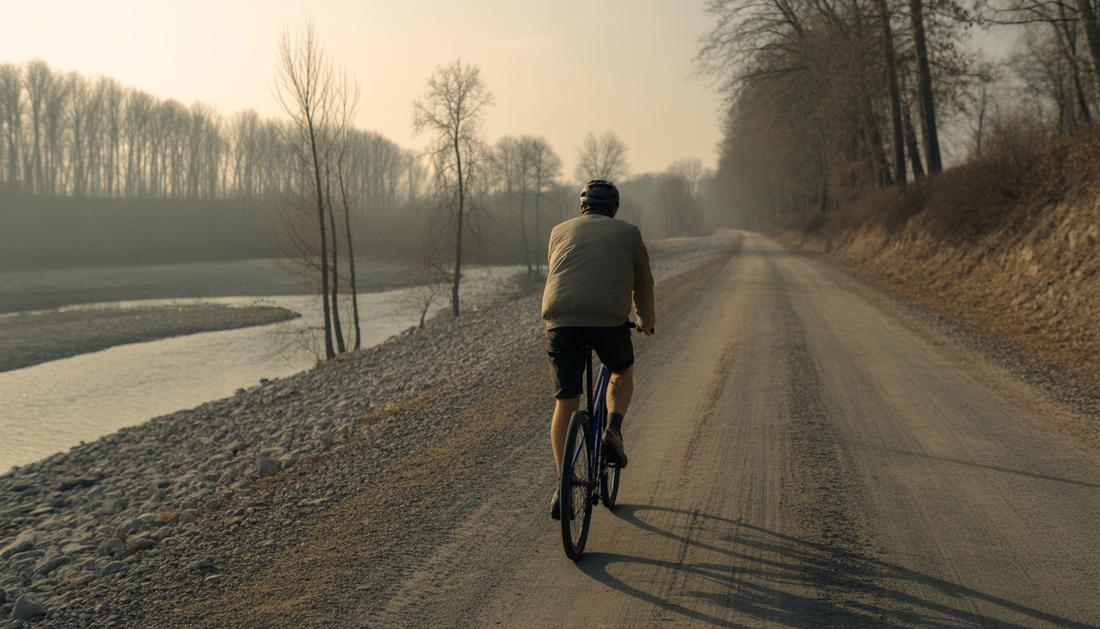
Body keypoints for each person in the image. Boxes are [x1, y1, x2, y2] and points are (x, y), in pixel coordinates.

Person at [542, 179, 655, 520]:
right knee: (621, 370)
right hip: (608, 322)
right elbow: (643, 281)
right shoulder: (629, 232)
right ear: (614, 209)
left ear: (582, 207)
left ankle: (564, 484)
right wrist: (645, 320)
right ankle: (612, 430)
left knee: (566, 401)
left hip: (560, 321)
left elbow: (559, 270)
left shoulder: (558, 231)